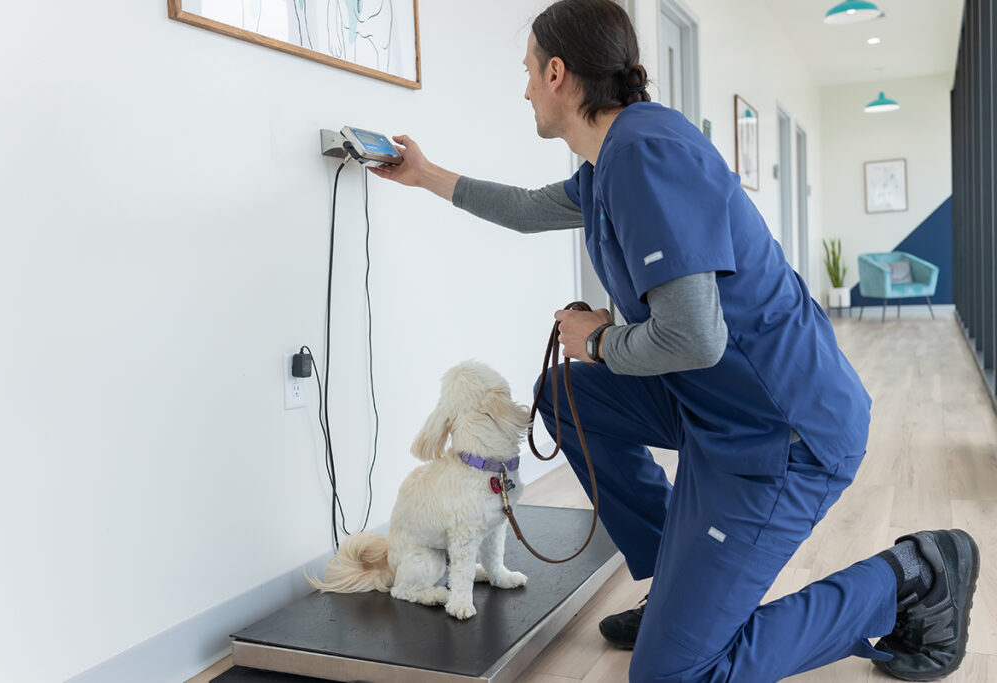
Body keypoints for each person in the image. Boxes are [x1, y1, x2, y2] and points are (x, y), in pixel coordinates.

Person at [369, 1, 980, 680]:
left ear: (559, 74)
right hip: (712, 408)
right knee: (564, 393)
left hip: (783, 433)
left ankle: (913, 576)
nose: (523, 91)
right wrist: (425, 175)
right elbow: (526, 208)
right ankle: (678, 583)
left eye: (527, 74)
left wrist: (602, 338)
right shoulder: (608, 161)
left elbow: (694, 335)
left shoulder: (645, 156)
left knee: (672, 674)